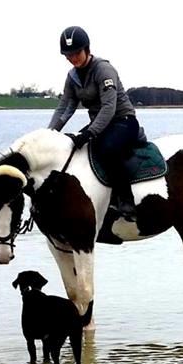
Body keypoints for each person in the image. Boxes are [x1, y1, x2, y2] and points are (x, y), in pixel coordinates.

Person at [48, 26, 139, 219]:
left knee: (107, 149)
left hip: (123, 121)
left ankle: (126, 201)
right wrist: (50, 133)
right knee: (72, 148)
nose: (73, 58)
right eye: (68, 55)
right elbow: (65, 108)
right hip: (101, 124)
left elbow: (109, 108)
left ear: (87, 49)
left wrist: (90, 133)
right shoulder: (72, 77)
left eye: (76, 53)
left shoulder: (103, 69)